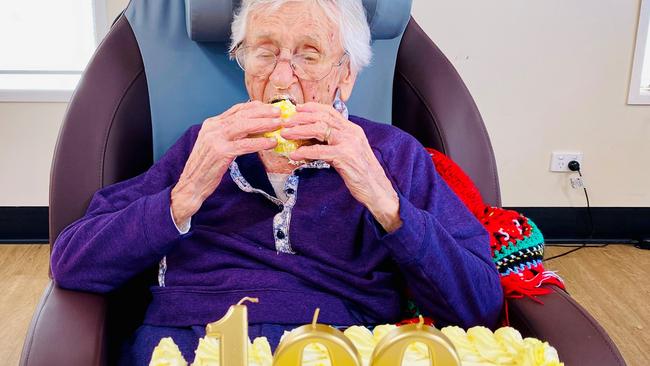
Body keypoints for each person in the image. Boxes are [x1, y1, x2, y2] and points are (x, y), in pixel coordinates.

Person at [51, 0, 503, 363]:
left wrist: (385, 201)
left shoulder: (390, 155)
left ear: (345, 75)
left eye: (308, 56)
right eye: (264, 53)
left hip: (336, 344)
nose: (282, 79)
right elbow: (73, 260)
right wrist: (184, 195)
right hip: (187, 341)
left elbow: (477, 303)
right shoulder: (201, 146)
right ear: (244, 65)